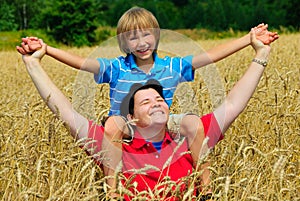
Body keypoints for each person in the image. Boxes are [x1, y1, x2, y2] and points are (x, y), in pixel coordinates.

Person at [17, 6, 278, 195]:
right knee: (112, 126)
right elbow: (65, 106)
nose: (155, 101)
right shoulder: (113, 141)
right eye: (144, 101)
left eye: (159, 97)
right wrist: (42, 56)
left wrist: (254, 46)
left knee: (192, 121)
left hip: (162, 128)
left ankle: (206, 187)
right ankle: (113, 193)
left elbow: (231, 100)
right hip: (122, 129)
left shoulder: (174, 78)